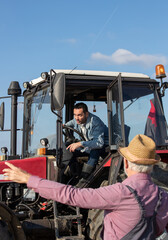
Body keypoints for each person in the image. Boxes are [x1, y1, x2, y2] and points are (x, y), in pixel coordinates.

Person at [3, 134, 168, 239]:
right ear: (152, 166)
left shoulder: (120, 193)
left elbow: (72, 195)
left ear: (125, 162)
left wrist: (28, 179)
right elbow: (158, 230)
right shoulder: (163, 196)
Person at [64, 102, 109, 183]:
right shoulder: (76, 120)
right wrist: (62, 126)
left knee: (94, 150)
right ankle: (75, 174)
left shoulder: (95, 122)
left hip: (104, 147)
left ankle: (85, 179)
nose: (76, 118)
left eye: (79, 115)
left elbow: (99, 143)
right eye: (75, 115)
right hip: (88, 145)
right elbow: (67, 125)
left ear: (86, 114)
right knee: (68, 148)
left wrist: (80, 144)